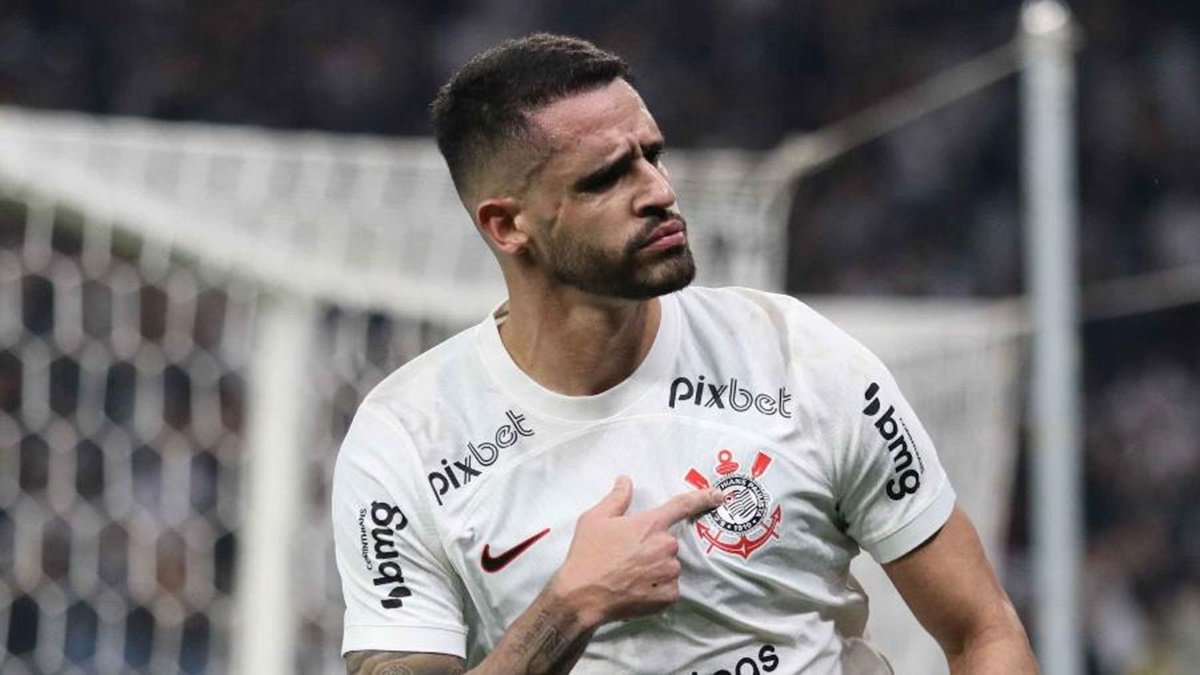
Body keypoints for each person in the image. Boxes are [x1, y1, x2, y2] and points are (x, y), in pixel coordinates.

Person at [332, 33, 1037, 674]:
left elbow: (983, 630)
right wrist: (568, 607)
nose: (660, 193)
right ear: (507, 225)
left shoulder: (799, 358)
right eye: (608, 177)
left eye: (653, 155)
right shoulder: (407, 436)